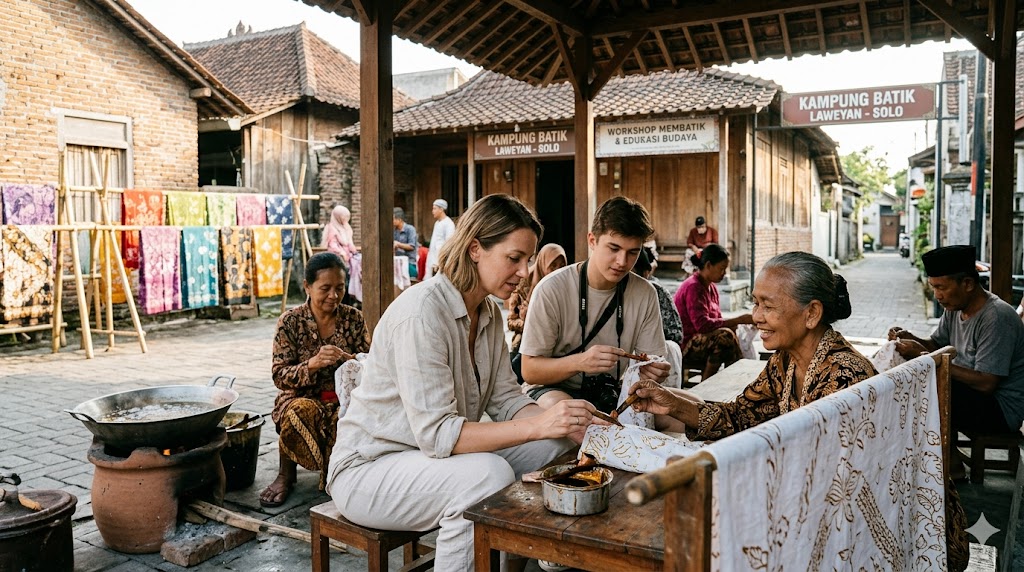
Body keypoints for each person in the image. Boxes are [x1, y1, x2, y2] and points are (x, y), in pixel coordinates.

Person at [628, 250, 968, 572]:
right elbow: (741, 415)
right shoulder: (785, 360)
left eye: (768, 306)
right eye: (755, 303)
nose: (756, 316)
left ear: (812, 313)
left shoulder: (844, 377)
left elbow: (834, 491)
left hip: (872, 525)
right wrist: (674, 403)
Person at [326, 194, 600, 572]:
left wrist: (565, 422)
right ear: (475, 249)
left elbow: (505, 398)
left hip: (427, 459)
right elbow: (438, 435)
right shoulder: (422, 313)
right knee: (485, 478)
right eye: (514, 258)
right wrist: (538, 423)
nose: (524, 272)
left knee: (553, 447)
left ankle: (510, 565)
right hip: (369, 469)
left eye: (527, 260)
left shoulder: (487, 313)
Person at [519, 196, 671, 413]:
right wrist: (580, 362)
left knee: (688, 410)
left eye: (632, 252)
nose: (622, 262)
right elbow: (530, 371)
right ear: (592, 241)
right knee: (576, 416)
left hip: (613, 391)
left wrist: (654, 372)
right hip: (553, 390)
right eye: (614, 248)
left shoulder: (646, 293)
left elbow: (650, 365)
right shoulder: (551, 288)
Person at [260, 252, 370, 508]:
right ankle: (285, 474)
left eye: (339, 288)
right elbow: (279, 375)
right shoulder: (290, 321)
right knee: (298, 412)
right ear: (307, 286)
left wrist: (348, 358)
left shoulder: (354, 318)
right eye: (325, 288)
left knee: (348, 418)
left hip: (343, 397)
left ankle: (337, 475)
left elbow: (371, 363)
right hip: (302, 396)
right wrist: (312, 364)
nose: (333, 295)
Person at [890, 245, 1024, 441]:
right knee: (907, 380)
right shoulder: (954, 307)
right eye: (933, 287)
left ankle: (951, 466)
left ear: (967, 283)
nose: (937, 296)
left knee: (927, 390)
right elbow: (936, 344)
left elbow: (986, 383)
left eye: (941, 287)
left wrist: (925, 358)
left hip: (1000, 409)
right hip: (969, 395)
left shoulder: (996, 317)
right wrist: (911, 338)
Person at [673, 244, 752, 380]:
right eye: (721, 269)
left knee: (730, 332)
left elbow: (717, 321)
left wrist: (734, 324)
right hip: (685, 344)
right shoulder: (694, 287)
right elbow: (702, 326)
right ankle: (707, 383)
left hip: (701, 339)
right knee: (724, 337)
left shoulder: (712, 287)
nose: (724, 273)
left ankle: (734, 380)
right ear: (708, 265)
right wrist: (740, 319)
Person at [633, 246, 685, 390]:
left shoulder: (656, 291)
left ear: (645, 273)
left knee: (670, 348)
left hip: (652, 354)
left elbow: (676, 334)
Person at [507, 243, 568, 354]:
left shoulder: (567, 285)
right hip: (527, 342)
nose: (558, 270)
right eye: (553, 265)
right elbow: (511, 322)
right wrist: (528, 320)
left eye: (562, 265)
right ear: (543, 264)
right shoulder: (523, 282)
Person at [424, 198, 456, 279]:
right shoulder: (437, 223)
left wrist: (440, 261)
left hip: (441, 260)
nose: (432, 211)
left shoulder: (449, 224)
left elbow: (449, 243)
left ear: (441, 209)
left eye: (434, 208)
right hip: (433, 257)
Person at [392, 207, 418, 279]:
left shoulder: (410, 229)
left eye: (393, 219)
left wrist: (398, 244)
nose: (392, 221)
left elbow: (411, 246)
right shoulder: (395, 231)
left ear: (399, 219)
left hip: (409, 262)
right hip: (397, 262)